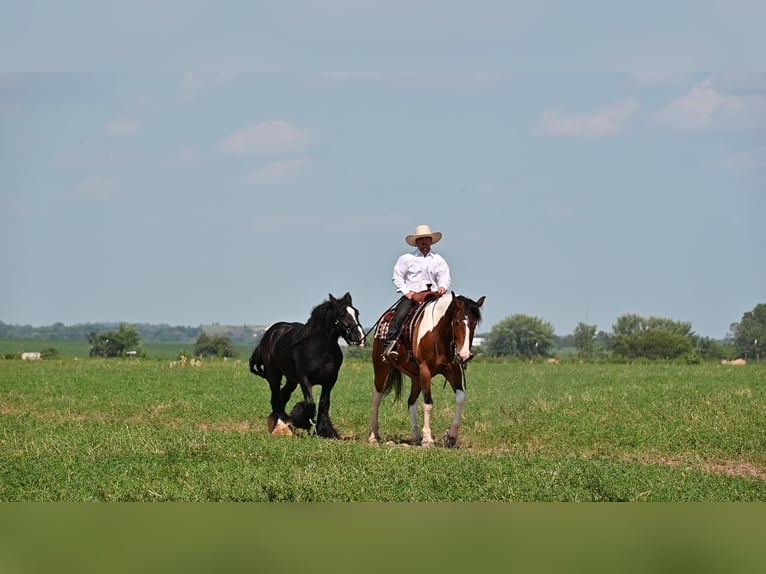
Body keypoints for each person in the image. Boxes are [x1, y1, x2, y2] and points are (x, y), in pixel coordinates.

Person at [381, 224, 452, 362]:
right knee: (400, 315)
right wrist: (407, 293)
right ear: (417, 242)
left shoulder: (438, 260)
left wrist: (443, 287)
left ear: (431, 241)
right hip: (412, 296)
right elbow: (398, 277)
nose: (424, 242)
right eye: (421, 239)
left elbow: (445, 276)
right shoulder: (407, 258)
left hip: (433, 296)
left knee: (452, 316)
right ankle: (390, 345)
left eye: (427, 239)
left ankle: (452, 350)